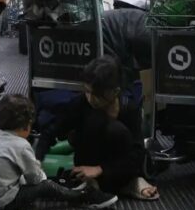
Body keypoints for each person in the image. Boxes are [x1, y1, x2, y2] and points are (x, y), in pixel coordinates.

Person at [36, 56, 159, 201]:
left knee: (117, 131)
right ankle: (94, 186)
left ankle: (128, 182)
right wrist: (36, 160)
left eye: (97, 95)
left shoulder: (129, 109)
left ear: (115, 92)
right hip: (86, 166)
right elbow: (52, 130)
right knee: (93, 120)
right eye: (88, 91)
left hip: (117, 169)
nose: (91, 99)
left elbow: (137, 155)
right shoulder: (81, 103)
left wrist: (100, 169)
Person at [0, 94, 118, 210]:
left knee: (22, 178)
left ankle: (66, 187)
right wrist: (51, 183)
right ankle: (82, 197)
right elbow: (36, 179)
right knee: (45, 187)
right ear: (26, 126)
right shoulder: (20, 145)